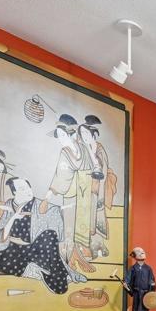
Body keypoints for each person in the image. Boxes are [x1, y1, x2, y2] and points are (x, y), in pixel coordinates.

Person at [0, 177, 82, 294]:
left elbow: (55, 223)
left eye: (28, 187)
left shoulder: (40, 205)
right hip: (15, 251)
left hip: (36, 250)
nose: (28, 191)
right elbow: (0, 237)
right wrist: (13, 218)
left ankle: (44, 271)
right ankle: (37, 271)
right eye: (22, 189)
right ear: (14, 192)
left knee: (50, 235)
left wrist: (51, 210)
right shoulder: (9, 205)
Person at [39, 114, 96, 273]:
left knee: (82, 225)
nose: (61, 140)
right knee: (69, 227)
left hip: (84, 193)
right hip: (70, 194)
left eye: (63, 135)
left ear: (71, 134)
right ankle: (69, 257)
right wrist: (46, 199)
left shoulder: (83, 148)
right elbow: (60, 176)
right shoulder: (65, 152)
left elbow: (92, 166)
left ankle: (78, 254)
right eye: (59, 136)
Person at [78, 114, 117, 259]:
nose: (84, 136)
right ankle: (86, 246)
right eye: (82, 133)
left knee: (98, 216)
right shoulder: (82, 148)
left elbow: (102, 168)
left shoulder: (98, 148)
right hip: (84, 188)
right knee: (86, 218)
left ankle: (99, 244)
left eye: (86, 133)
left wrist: (91, 151)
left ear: (93, 134)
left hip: (97, 188)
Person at [125, 247, 156, 311]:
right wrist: (126, 284)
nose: (142, 252)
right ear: (134, 255)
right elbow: (128, 279)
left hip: (146, 293)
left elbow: (152, 280)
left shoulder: (148, 268)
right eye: (139, 251)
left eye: (143, 251)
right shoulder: (133, 268)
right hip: (137, 293)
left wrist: (152, 286)